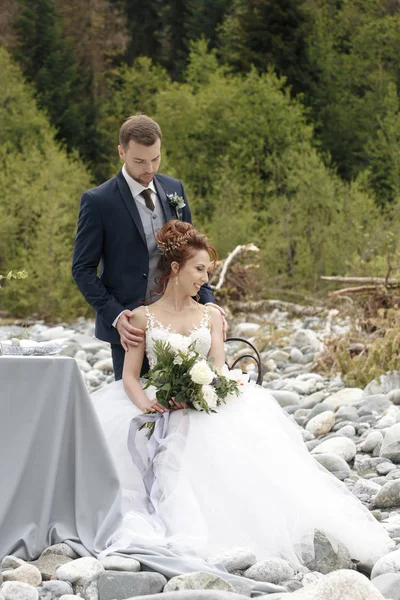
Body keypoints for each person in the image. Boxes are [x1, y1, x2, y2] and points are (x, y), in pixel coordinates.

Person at [91, 220, 392, 574]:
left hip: (205, 400)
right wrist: (146, 405)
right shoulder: (142, 317)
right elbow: (129, 377)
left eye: (208, 270)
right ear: (175, 268)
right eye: (199, 269)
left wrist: (203, 391)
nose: (205, 279)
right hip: (160, 402)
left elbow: (218, 366)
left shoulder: (211, 316)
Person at [72, 114, 220, 381]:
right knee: (138, 412)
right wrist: (116, 316)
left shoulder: (174, 189)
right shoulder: (98, 201)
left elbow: (193, 253)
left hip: (183, 318)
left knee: (193, 403)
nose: (149, 168)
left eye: (156, 158)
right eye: (140, 160)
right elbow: (82, 269)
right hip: (132, 327)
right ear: (121, 152)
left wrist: (208, 303)